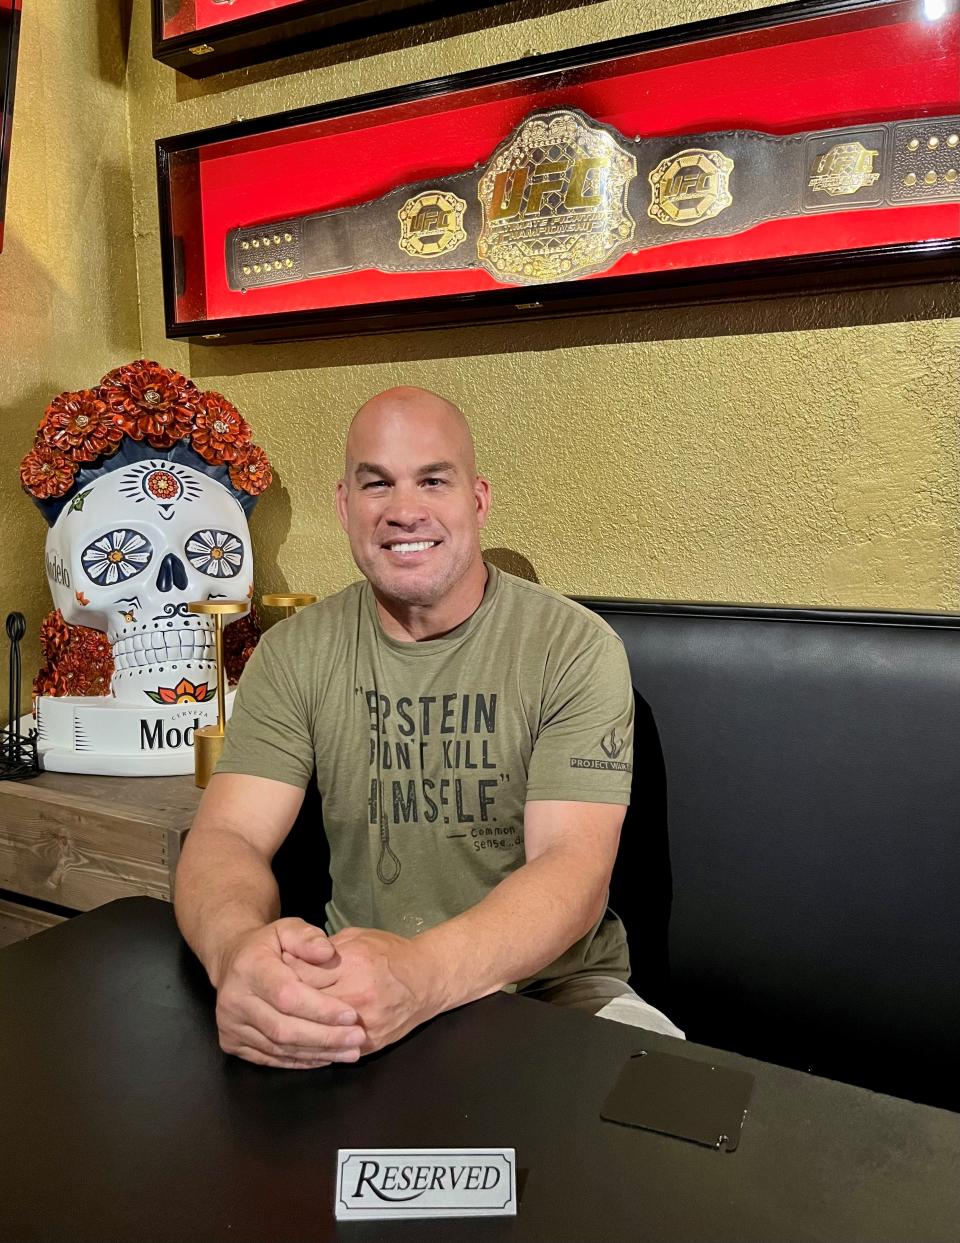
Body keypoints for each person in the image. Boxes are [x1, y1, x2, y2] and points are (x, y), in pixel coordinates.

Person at [174, 386, 682, 1069]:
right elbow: (226, 837)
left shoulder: (573, 647)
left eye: (432, 480)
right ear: (345, 505)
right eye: (376, 483)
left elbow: (572, 869)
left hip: (557, 995)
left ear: (477, 499)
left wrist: (418, 974)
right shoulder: (295, 652)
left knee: (662, 1154)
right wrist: (237, 952)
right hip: (351, 990)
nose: (403, 509)